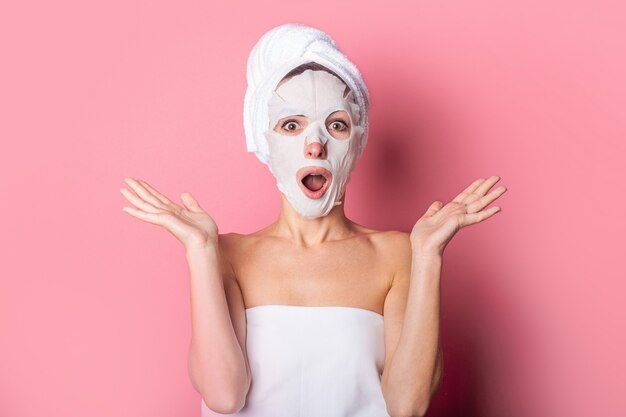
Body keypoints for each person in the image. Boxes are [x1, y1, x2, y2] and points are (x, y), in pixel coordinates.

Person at [120, 23, 507, 417]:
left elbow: (407, 405)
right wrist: (200, 250)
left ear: (357, 142)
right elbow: (224, 395)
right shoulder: (228, 255)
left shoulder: (396, 254)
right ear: (264, 140)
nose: (315, 143)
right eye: (292, 124)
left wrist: (428, 255)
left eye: (336, 124)